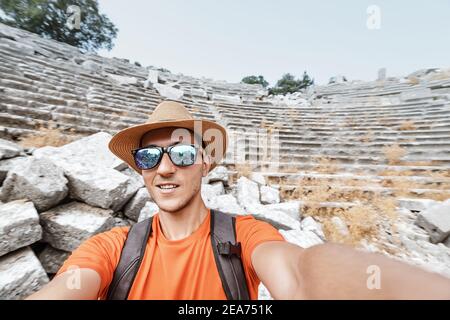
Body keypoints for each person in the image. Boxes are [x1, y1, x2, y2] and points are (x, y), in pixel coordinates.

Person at [27, 101, 450, 300]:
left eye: (183, 153)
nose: (166, 168)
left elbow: (301, 274)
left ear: (206, 164)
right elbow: (67, 290)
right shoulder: (110, 248)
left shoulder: (245, 235)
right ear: (141, 169)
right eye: (150, 156)